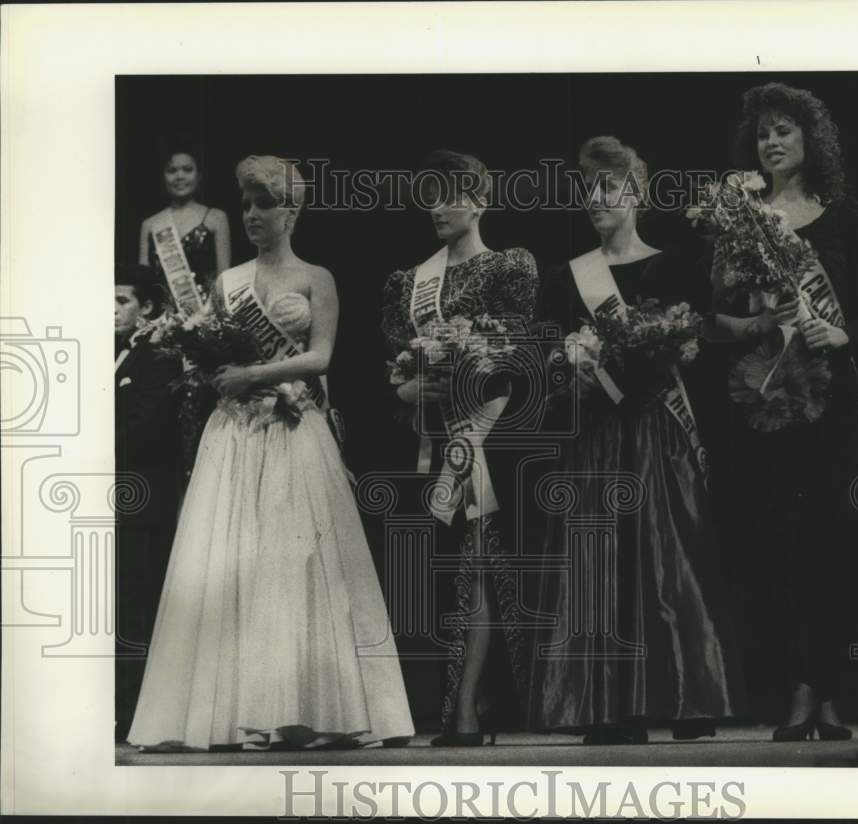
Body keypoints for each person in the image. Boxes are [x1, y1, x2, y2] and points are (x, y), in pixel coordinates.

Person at [128, 155, 413, 751]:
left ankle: (309, 708)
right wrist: (214, 375)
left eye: (264, 204)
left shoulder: (318, 277)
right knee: (233, 566)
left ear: (292, 209)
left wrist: (253, 371)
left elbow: (320, 357)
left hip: (293, 431)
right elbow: (208, 358)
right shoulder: (226, 282)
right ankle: (230, 711)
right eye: (247, 204)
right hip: (234, 435)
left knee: (295, 569)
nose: (253, 215)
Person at [528, 136, 737, 744]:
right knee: (601, 562)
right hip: (596, 434)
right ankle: (609, 706)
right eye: (587, 187)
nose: (595, 199)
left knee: (667, 558)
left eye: (609, 186)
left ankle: (686, 698)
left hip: (656, 431)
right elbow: (547, 355)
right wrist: (571, 363)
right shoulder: (569, 277)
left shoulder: (672, 266)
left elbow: (692, 343)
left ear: (637, 191)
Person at [711, 82, 858, 741]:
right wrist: (758, 325)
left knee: (832, 540)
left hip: (830, 395)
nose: (773, 141)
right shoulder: (741, 222)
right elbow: (716, 319)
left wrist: (841, 335)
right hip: (765, 393)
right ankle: (797, 690)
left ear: (812, 141)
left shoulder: (843, 215)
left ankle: (828, 690)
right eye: (763, 134)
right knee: (779, 542)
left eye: (785, 130)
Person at [381, 150, 538, 746]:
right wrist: (410, 384)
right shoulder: (409, 283)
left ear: (478, 200)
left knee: (477, 568)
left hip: (494, 435)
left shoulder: (511, 267)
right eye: (430, 196)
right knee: (452, 573)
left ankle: (468, 710)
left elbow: (517, 348)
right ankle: (466, 705)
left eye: (448, 195)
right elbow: (394, 374)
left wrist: (465, 366)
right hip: (436, 441)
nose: (435, 208)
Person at [114, 263, 182, 741]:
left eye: (121, 301)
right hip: (118, 497)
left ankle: (140, 711)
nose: (111, 310)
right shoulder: (116, 355)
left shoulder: (158, 358)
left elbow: (142, 427)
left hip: (144, 497)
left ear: (148, 309)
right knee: (118, 603)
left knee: (142, 600)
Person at [139, 146, 232, 480]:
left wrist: (212, 325)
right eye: (172, 169)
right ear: (163, 177)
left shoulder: (216, 218)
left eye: (187, 169)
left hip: (205, 328)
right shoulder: (151, 225)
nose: (179, 176)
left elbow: (224, 280)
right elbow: (144, 285)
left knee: (202, 410)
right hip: (163, 330)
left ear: (199, 174)